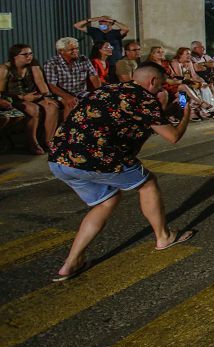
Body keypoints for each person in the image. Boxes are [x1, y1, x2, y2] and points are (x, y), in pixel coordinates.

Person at [48, 62, 196, 281]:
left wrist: (163, 111)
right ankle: (164, 237)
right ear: (152, 81)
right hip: (98, 158)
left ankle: (71, 263)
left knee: (106, 201)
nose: (161, 90)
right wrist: (186, 114)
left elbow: (131, 118)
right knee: (147, 184)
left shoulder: (107, 89)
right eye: (160, 85)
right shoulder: (144, 99)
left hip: (60, 158)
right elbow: (172, 136)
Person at [0, 45, 60, 154]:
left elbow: (41, 84)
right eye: (25, 54)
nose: (29, 57)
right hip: (14, 98)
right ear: (15, 56)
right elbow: (1, 92)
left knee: (52, 106)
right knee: (33, 109)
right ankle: (33, 143)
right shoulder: (5, 69)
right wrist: (22, 97)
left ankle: (49, 141)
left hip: (33, 96)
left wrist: (46, 96)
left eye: (31, 53)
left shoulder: (33, 65)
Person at [43, 37, 100, 119]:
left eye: (77, 48)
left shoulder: (83, 59)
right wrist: (67, 97)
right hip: (61, 94)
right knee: (71, 103)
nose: (76, 51)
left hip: (80, 92)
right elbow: (52, 86)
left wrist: (98, 92)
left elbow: (94, 77)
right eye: (71, 49)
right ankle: (66, 129)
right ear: (61, 51)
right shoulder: (52, 63)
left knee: (100, 101)